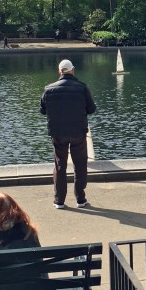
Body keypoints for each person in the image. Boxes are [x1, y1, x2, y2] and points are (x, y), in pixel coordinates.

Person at [40, 59, 96, 209]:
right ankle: (80, 199)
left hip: (58, 133)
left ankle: (59, 200)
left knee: (60, 165)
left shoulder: (49, 89)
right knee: (80, 165)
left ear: (59, 72)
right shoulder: (82, 88)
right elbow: (91, 109)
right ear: (73, 70)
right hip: (78, 132)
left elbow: (43, 110)